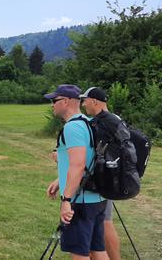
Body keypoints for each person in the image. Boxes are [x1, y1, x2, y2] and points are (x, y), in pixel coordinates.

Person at [44, 84, 109, 260]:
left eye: (54, 100)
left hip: (80, 200)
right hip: (96, 198)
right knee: (97, 249)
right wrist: (60, 180)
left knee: (80, 253)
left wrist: (66, 200)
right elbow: (88, 160)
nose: (52, 105)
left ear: (65, 101)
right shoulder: (87, 122)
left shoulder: (72, 127)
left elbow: (78, 165)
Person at [80, 86, 122, 260]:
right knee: (104, 222)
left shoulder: (99, 123)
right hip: (112, 176)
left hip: (100, 180)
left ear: (94, 101)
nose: (83, 104)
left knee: (104, 223)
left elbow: (90, 155)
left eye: (85, 100)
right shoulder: (116, 119)